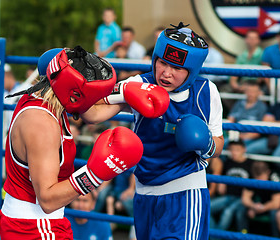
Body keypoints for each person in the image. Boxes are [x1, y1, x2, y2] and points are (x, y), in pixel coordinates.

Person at [81, 22, 224, 239]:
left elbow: (219, 144)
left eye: (176, 68)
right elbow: (92, 114)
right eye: (162, 63)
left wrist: (206, 143)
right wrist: (120, 93)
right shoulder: (140, 83)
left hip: (185, 192)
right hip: (144, 193)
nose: (166, 73)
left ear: (191, 71)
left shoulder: (206, 92)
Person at [0, 46, 145, 239]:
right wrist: (93, 174)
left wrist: (127, 96)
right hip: (34, 225)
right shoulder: (42, 125)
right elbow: (48, 199)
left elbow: (91, 112)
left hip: (38, 221)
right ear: (73, 92)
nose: (93, 99)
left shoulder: (46, 95)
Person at [245, 81, 280, 179]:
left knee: (277, 157)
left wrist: (274, 122)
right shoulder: (276, 106)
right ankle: (253, 178)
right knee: (249, 150)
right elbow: (266, 122)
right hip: (273, 137)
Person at [210, 140, 252, 232]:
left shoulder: (250, 164)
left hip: (241, 198)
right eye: (232, 150)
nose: (234, 153)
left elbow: (254, 185)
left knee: (227, 212)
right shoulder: (228, 162)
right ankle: (214, 235)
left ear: (244, 150)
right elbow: (222, 179)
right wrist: (222, 183)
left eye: (237, 150)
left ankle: (215, 238)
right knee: (206, 207)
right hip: (228, 196)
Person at [241, 161, 280, 236]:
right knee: (240, 210)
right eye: (257, 179)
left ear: (268, 172)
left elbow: (277, 203)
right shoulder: (251, 175)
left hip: (273, 205)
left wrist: (262, 208)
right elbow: (245, 198)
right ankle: (243, 236)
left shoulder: (274, 178)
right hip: (258, 203)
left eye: (261, 178)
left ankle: (276, 237)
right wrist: (253, 206)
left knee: (274, 214)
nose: (259, 182)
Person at [227, 81, 267, 146]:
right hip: (234, 136)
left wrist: (241, 137)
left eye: (253, 91)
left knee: (239, 148)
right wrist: (232, 133)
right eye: (249, 91)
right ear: (245, 92)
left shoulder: (262, 107)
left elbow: (259, 131)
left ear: (258, 93)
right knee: (221, 145)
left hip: (250, 139)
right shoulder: (238, 103)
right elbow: (230, 119)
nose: (250, 94)